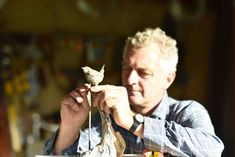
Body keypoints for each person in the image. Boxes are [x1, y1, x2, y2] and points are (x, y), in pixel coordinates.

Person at [44, 27, 224, 156]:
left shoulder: (186, 112)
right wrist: (70, 126)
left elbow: (212, 150)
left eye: (143, 72)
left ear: (168, 78)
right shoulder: (107, 117)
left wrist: (133, 122)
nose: (130, 80)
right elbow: (62, 154)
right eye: (126, 69)